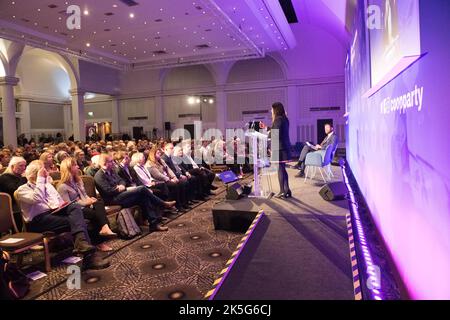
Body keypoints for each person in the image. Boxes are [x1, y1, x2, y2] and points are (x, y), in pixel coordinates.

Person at [16, 160, 109, 269]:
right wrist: (41, 180)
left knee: (74, 206)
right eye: (43, 172)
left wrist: (61, 204)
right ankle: (88, 255)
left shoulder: (47, 186)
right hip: (38, 221)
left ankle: (82, 244)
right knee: (80, 221)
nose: (46, 173)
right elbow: (37, 198)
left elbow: (57, 202)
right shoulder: (22, 190)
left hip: (53, 214)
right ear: (33, 175)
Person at [94, 154, 172, 232]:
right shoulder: (99, 176)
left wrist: (121, 186)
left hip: (121, 195)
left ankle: (154, 224)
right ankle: (162, 203)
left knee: (143, 197)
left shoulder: (112, 171)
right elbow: (108, 191)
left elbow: (122, 181)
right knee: (142, 188)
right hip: (112, 199)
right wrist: (118, 189)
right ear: (104, 163)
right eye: (111, 161)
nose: (113, 163)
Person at [57, 158, 116, 252]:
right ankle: (100, 241)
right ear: (68, 168)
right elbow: (68, 205)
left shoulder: (77, 181)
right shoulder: (62, 187)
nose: (77, 166)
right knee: (95, 215)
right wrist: (86, 203)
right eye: (74, 165)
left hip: (85, 206)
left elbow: (84, 195)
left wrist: (90, 199)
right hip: (76, 211)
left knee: (99, 203)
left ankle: (104, 228)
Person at [146, 146, 188, 212]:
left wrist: (174, 177)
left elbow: (168, 169)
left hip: (168, 178)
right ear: (153, 154)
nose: (160, 154)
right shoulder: (149, 164)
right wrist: (169, 179)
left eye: (160, 153)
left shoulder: (161, 160)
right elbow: (158, 175)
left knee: (181, 183)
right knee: (174, 185)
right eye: (158, 153)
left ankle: (182, 203)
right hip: (160, 181)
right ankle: (177, 205)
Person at [268, 102, 292, 198]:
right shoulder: (284, 119)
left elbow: (275, 134)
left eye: (272, 109)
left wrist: (269, 134)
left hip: (279, 148)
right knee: (283, 169)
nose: (271, 111)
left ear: (275, 110)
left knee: (280, 170)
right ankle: (287, 190)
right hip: (284, 147)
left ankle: (282, 191)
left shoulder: (278, 119)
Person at [0, 157, 27, 230]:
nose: (24, 168)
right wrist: (24, 177)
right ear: (12, 166)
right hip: (12, 207)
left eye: (25, 166)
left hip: (22, 202)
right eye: (21, 166)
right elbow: (16, 191)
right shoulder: (5, 177)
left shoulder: (19, 176)